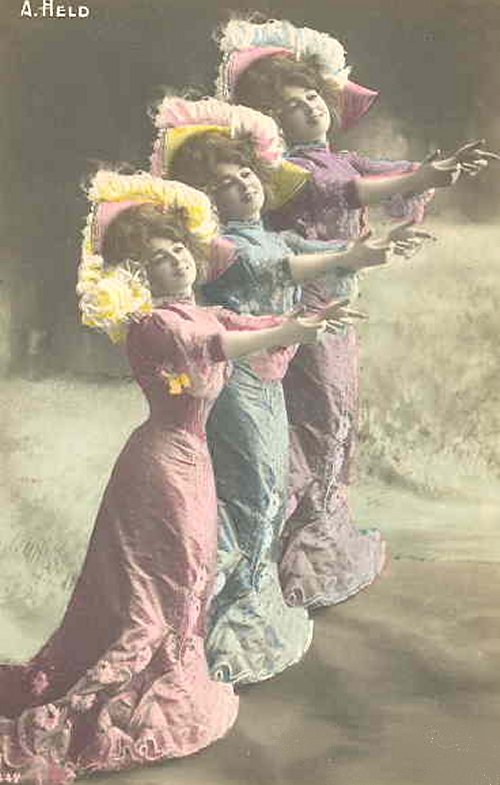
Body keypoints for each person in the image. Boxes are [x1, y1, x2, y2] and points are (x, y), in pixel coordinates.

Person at [0, 171, 328, 784]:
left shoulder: (198, 310)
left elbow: (244, 328)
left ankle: (177, 674)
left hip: (192, 461)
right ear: (138, 276)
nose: (176, 259)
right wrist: (294, 328)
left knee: (188, 573)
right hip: (160, 467)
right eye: (158, 258)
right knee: (160, 589)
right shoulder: (155, 325)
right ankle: (139, 691)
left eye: (178, 247)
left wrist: (308, 312)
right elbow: (219, 347)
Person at [214, 17, 495, 609]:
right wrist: (426, 174)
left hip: (335, 310)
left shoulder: (336, 158)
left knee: (334, 420)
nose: (310, 109)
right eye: (292, 108)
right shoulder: (289, 174)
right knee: (314, 424)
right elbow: (353, 195)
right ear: (273, 122)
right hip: (301, 313)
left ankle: (315, 540)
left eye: (312, 97)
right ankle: (288, 556)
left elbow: (381, 176)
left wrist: (436, 169)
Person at [151, 97, 411, 681]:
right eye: (226, 184)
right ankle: (224, 626)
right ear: (206, 201)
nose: (244, 184)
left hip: (266, 384)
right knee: (253, 493)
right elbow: (286, 270)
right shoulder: (224, 250)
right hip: (236, 387)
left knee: (268, 489)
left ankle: (250, 603)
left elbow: (308, 252)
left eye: (246, 173)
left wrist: (366, 252)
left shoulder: (265, 232)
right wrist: (350, 256)